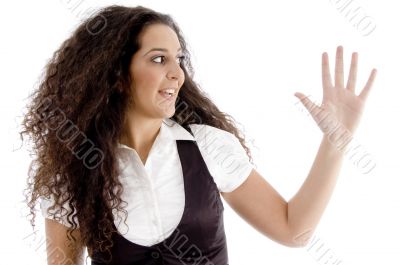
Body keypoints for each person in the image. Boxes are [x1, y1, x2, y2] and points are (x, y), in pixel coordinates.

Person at [19, 4, 377, 265]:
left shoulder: (208, 146)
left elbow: (293, 231)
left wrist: (335, 141)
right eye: (159, 59)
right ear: (117, 75)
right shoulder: (76, 169)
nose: (177, 74)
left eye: (179, 59)